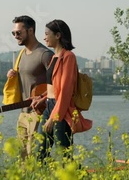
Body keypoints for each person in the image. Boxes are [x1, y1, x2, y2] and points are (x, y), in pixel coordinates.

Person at [32, 19, 93, 161]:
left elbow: (65, 91)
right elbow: (54, 87)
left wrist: (54, 118)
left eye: (47, 34)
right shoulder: (54, 57)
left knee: (63, 154)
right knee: (40, 152)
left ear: (58, 35)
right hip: (49, 105)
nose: (44, 37)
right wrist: (42, 98)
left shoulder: (68, 57)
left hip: (62, 109)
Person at [7, 15, 53, 159]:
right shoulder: (21, 55)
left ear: (31, 31)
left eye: (18, 33)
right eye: (13, 33)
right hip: (23, 113)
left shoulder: (44, 54)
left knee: (35, 157)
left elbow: (58, 83)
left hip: (39, 113)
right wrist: (12, 74)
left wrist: (42, 98)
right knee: (21, 158)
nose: (15, 36)